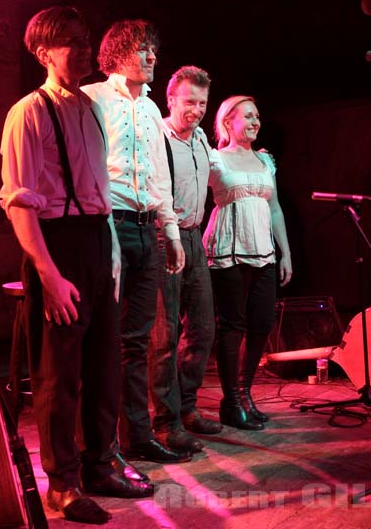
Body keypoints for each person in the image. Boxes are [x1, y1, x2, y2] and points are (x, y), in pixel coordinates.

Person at [0, 6, 153, 525]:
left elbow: (99, 197)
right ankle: (60, 485)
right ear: (43, 52)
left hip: (92, 241)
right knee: (59, 377)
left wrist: (108, 257)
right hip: (55, 244)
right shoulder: (28, 111)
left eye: (86, 40)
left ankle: (98, 464)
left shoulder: (88, 109)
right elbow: (20, 204)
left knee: (103, 368)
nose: (85, 49)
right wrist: (49, 274)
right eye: (71, 42)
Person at [82, 20, 189, 463]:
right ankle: (100, 444)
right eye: (143, 49)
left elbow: (158, 173)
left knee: (136, 340)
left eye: (153, 50)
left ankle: (137, 436)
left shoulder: (148, 109)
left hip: (147, 228)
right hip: (110, 225)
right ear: (118, 52)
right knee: (103, 338)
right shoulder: (91, 98)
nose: (152, 58)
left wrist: (170, 230)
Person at [203, 95, 292, 430]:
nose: (256, 122)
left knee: (262, 323)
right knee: (232, 325)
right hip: (228, 249)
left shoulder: (265, 161)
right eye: (249, 116)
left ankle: (244, 393)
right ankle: (231, 401)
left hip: (263, 251)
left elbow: (275, 209)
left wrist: (286, 253)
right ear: (229, 121)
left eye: (258, 117)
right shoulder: (214, 159)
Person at [149, 66, 222, 455]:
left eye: (202, 104)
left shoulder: (202, 141)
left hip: (194, 239)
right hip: (164, 239)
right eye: (189, 102)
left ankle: (187, 408)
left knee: (203, 329)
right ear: (171, 99)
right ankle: (164, 422)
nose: (196, 110)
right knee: (162, 338)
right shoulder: (157, 136)